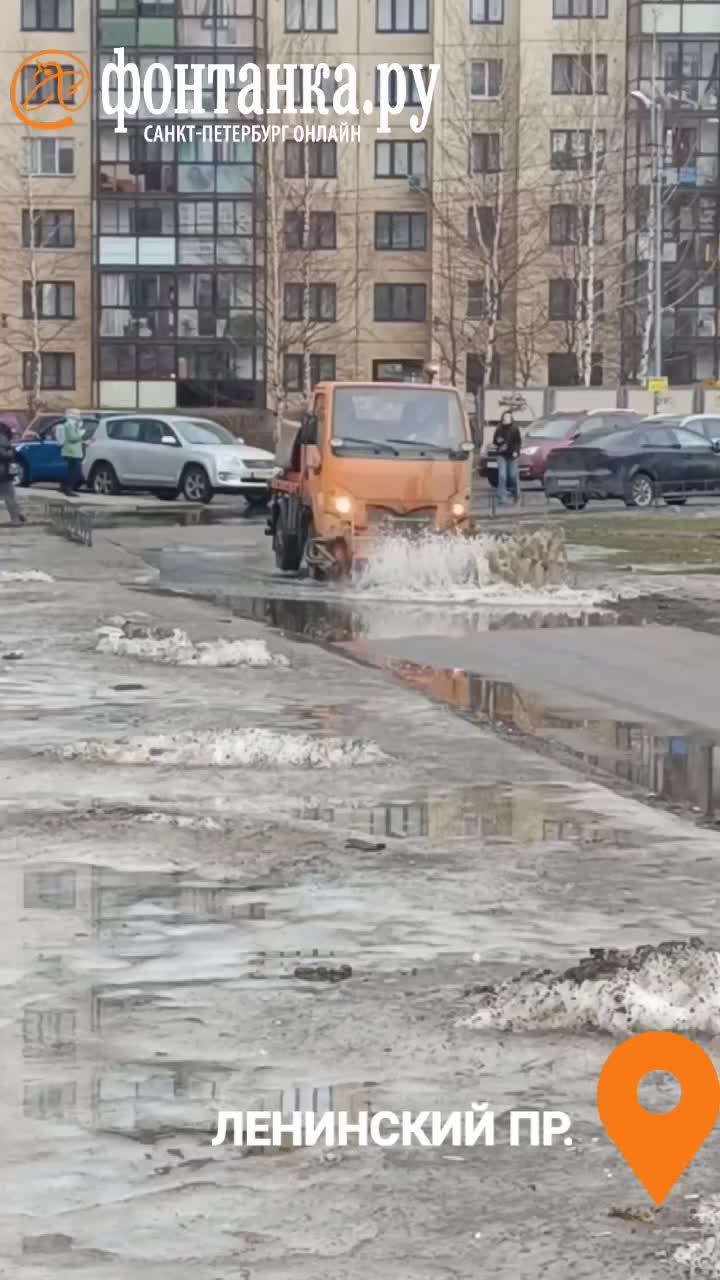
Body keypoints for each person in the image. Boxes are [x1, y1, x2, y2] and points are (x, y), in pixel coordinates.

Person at [493, 409, 522, 506]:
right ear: (502, 418)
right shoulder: (499, 428)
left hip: (512, 455)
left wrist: (516, 452)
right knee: (502, 476)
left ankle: (516, 494)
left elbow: (518, 442)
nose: (506, 419)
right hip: (501, 455)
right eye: (505, 417)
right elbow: (495, 441)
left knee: (513, 475)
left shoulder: (515, 428)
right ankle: (502, 496)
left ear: (511, 418)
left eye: (508, 417)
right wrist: (499, 441)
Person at [0, 423, 26, 527]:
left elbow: (3, 454)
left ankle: (15, 519)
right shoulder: (3, 437)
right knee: (9, 494)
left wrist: (11, 452)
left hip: (2, 472)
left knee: (8, 495)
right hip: (4, 470)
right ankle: (17, 514)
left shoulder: (0, 437)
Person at [59, 412, 85, 496]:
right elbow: (72, 438)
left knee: (71, 470)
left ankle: (64, 487)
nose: (78, 419)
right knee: (74, 471)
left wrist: (84, 442)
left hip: (73, 451)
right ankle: (68, 489)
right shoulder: (69, 425)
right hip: (71, 452)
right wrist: (80, 434)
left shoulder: (71, 425)